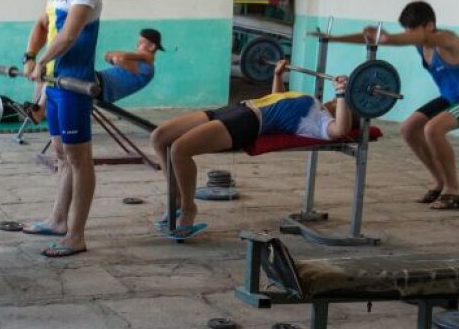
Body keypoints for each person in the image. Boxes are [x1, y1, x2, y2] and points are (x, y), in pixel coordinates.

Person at [150, 59, 353, 238]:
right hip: (235, 108)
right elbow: (277, 98)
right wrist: (278, 75)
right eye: (336, 98)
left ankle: (188, 208)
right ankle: (176, 199)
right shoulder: (315, 104)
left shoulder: (321, 121)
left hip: (248, 121)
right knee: (159, 137)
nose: (335, 100)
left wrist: (342, 92)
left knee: (179, 150)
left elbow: (340, 130)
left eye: (339, 101)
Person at [326, 1, 459, 210]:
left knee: (433, 129)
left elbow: (411, 38)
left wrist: (391, 38)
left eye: (412, 30)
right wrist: (333, 38)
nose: (408, 34)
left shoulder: (449, 39)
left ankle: (453, 188)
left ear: (430, 26)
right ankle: (440, 181)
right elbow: (373, 38)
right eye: (406, 30)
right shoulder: (419, 43)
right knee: (408, 129)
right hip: (452, 97)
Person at [20, 0, 103, 258]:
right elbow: (42, 24)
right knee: (61, 153)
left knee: (79, 159)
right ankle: (57, 221)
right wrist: (30, 55)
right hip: (53, 84)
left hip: (74, 83)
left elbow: (69, 35)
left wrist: (40, 63)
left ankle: (77, 234)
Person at [98, 28, 164, 104]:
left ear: (151, 47)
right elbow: (109, 56)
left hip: (102, 85)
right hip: (100, 82)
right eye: (138, 42)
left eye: (141, 43)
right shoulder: (140, 64)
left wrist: (113, 56)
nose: (137, 45)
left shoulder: (147, 68)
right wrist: (113, 57)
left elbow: (117, 58)